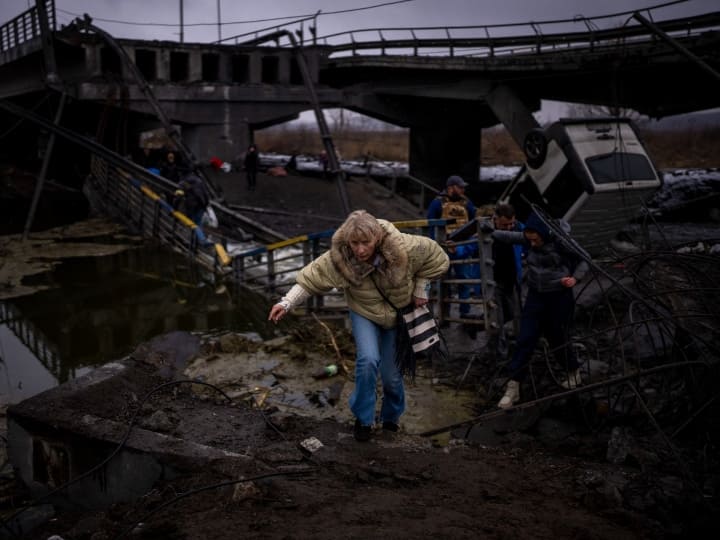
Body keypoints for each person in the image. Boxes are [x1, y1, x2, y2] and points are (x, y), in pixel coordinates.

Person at [268, 210, 449, 442]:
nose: (360, 250)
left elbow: (438, 258)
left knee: (392, 376)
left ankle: (391, 419)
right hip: (364, 313)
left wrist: (422, 287)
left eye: (366, 243)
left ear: (377, 238)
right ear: (347, 241)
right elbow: (312, 277)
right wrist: (286, 302)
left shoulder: (406, 246)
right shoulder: (340, 256)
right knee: (368, 361)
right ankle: (364, 420)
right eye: (355, 243)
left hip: (397, 316)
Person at [491, 212, 590, 409]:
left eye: (535, 240)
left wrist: (575, 279)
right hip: (536, 295)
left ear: (544, 234)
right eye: (530, 240)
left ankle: (573, 371)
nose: (532, 244)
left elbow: (585, 258)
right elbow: (509, 237)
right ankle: (513, 387)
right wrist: (490, 231)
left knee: (558, 338)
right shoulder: (528, 238)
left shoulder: (562, 241)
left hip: (559, 296)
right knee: (525, 339)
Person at [451, 203, 524, 350]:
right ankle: (498, 354)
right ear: (495, 219)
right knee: (498, 318)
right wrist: (454, 250)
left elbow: (531, 236)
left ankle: (473, 325)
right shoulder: (484, 231)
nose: (509, 228)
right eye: (504, 225)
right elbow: (468, 247)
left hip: (511, 280)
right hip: (492, 282)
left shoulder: (518, 228)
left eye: (511, 224)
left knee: (512, 313)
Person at [426, 175, 478, 320]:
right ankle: (444, 315)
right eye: (460, 187)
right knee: (443, 283)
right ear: (451, 188)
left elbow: (474, 222)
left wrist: (471, 245)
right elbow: (431, 225)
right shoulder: (437, 203)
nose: (463, 189)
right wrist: (434, 247)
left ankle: (465, 312)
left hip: (462, 247)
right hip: (444, 248)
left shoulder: (467, 203)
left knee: (464, 280)